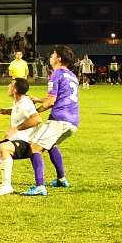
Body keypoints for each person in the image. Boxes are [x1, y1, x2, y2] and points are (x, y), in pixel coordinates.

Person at [21, 45, 80, 197]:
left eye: (53, 54)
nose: (51, 56)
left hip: (59, 119)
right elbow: (60, 97)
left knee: (35, 147)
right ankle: (61, 179)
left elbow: (51, 102)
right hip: (73, 121)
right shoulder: (72, 75)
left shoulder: (56, 73)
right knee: (51, 144)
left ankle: (40, 186)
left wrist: (35, 112)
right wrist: (39, 99)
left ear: (59, 58)